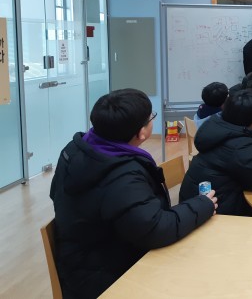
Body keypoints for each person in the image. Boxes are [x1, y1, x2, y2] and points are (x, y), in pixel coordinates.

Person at [50, 89, 217, 299]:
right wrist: (203, 204)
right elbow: (156, 228)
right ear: (142, 133)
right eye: (151, 117)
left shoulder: (76, 149)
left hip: (86, 256)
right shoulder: (123, 175)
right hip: (107, 278)